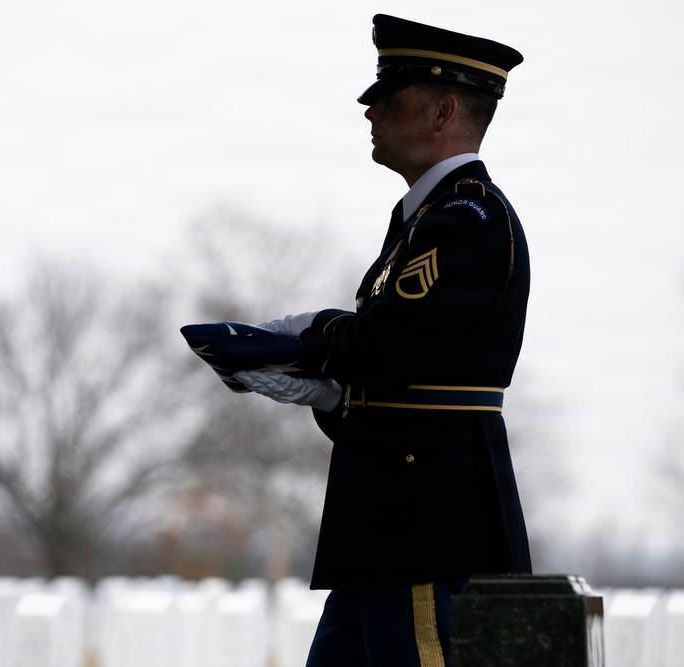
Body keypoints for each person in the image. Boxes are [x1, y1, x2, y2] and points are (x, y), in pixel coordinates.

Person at [217, 13, 532, 667]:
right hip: (387, 525)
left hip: (426, 525)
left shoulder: (468, 218)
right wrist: (327, 392)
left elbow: (387, 345)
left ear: (444, 109)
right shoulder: (420, 219)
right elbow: (401, 378)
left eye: (390, 98)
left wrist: (309, 336)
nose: (371, 111)